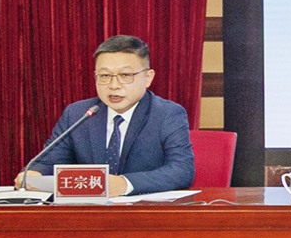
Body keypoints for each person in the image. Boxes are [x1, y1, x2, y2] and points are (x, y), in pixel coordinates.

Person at [16, 34, 195, 196]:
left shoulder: (167, 114)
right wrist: (34, 173)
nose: (113, 85)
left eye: (125, 75)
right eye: (104, 76)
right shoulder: (78, 114)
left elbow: (182, 170)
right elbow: (48, 162)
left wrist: (125, 184)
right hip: (89, 214)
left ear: (148, 77)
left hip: (143, 214)